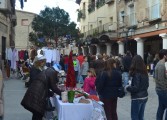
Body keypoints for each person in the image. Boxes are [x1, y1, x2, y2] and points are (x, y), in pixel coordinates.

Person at [125, 55, 149, 120]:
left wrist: (127, 87)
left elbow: (136, 87)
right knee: (141, 116)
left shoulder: (136, 73)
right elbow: (147, 85)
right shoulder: (145, 72)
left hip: (137, 98)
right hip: (144, 96)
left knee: (135, 116)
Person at [154, 49, 167, 120]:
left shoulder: (160, 64)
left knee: (161, 107)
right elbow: (161, 81)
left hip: (160, 90)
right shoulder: (161, 65)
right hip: (162, 90)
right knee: (162, 107)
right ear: (165, 56)